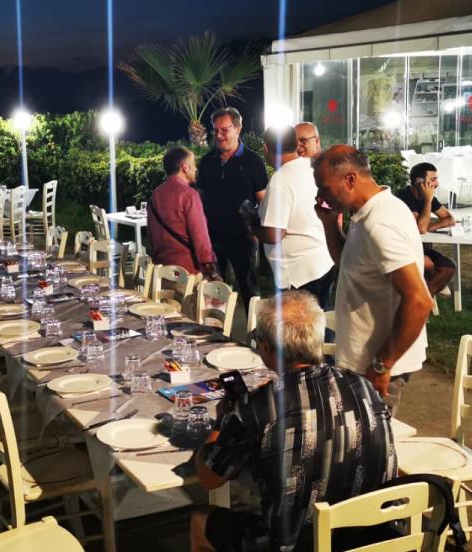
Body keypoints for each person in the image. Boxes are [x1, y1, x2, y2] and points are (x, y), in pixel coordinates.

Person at [191, 290, 396, 552]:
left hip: (297, 545)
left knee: (199, 521)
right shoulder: (363, 386)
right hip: (372, 536)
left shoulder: (256, 407)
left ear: (266, 347)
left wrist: (223, 420)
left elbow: (208, 477)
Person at [312, 145, 433, 410]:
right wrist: (330, 223)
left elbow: (420, 301)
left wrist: (382, 364)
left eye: (324, 188)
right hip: (365, 360)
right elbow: (347, 262)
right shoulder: (371, 211)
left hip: (374, 365)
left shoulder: (380, 222)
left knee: (370, 436)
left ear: (350, 179)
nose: (320, 196)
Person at [245, 126, 335, 308]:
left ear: (266, 148)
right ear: (296, 144)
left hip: (299, 276)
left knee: (300, 325)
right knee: (321, 321)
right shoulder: (310, 167)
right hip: (321, 263)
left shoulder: (281, 180)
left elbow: (274, 234)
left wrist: (252, 223)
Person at [196, 107, 269, 305]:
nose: (219, 135)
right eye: (215, 130)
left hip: (242, 237)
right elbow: (200, 199)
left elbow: (263, 201)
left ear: (238, 128)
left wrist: (258, 232)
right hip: (213, 236)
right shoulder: (207, 162)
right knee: (214, 291)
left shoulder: (253, 162)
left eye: (224, 130)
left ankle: (254, 325)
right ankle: (217, 325)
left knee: (249, 288)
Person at [147, 145, 221, 280]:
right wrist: (210, 266)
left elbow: (151, 236)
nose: (196, 169)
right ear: (185, 167)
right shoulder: (189, 195)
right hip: (187, 272)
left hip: (162, 271)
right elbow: (200, 236)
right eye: (193, 164)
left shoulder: (155, 195)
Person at [394, 162, 456, 297]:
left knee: (449, 267)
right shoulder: (404, 196)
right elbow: (421, 229)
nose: (437, 184)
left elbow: (450, 219)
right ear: (419, 182)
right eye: (433, 180)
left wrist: (430, 227)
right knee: (428, 264)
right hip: (402, 249)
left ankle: (422, 300)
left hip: (420, 247)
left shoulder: (427, 196)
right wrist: (428, 201)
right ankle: (423, 299)